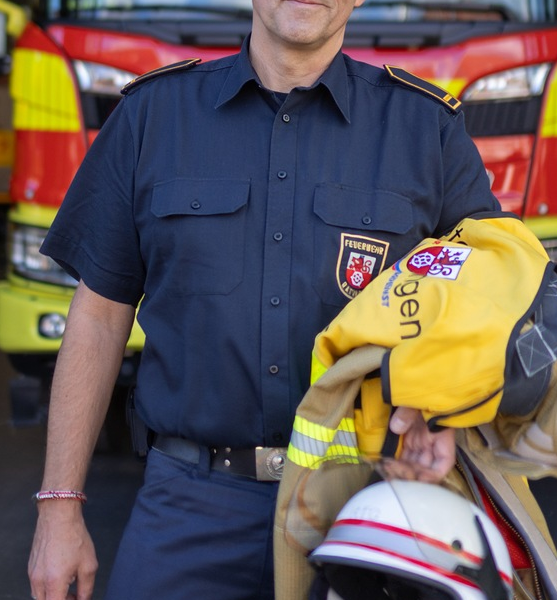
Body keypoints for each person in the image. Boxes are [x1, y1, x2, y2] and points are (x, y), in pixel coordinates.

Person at [27, 1, 501, 599]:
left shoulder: (426, 128)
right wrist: (59, 507)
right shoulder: (152, 116)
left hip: (364, 504)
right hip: (189, 505)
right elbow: (98, 317)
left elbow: (490, 295)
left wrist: (446, 410)